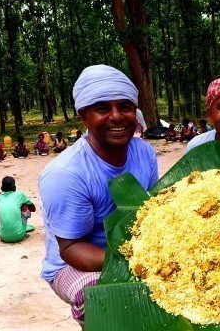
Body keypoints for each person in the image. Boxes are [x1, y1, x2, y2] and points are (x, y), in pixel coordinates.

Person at [39, 64, 159, 325]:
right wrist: (135, 262)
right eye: (103, 109)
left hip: (133, 253)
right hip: (74, 264)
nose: (116, 116)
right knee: (103, 297)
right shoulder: (66, 173)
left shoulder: (145, 153)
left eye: (125, 107)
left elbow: (153, 214)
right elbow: (70, 248)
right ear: (84, 117)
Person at [0, 176, 36, 243]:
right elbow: (33, 208)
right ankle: (19, 232)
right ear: (14, 186)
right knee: (24, 206)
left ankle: (5, 232)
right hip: (18, 235)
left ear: (2, 187)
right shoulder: (20, 195)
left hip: (1, 236)